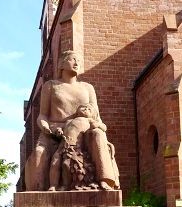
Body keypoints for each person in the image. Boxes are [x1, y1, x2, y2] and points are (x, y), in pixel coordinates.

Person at [26, 50, 119, 191]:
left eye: (79, 61)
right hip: (54, 131)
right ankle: (40, 191)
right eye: (72, 59)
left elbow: (96, 116)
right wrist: (46, 127)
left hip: (83, 129)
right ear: (61, 64)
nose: (77, 63)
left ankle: (105, 180)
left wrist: (98, 126)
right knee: (39, 153)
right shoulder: (51, 86)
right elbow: (42, 115)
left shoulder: (88, 88)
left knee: (99, 135)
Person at [48, 104, 103, 191]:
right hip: (63, 145)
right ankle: (53, 185)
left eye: (89, 109)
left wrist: (97, 126)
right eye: (83, 107)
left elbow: (104, 127)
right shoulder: (69, 121)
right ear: (77, 111)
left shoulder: (89, 120)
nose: (85, 109)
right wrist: (59, 131)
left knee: (66, 164)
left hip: (75, 147)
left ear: (93, 115)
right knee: (55, 162)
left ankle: (66, 185)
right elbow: (60, 129)